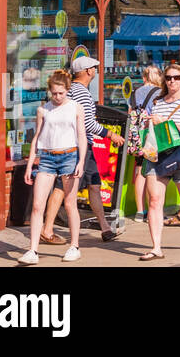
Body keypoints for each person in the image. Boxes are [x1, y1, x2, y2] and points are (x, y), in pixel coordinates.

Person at [39, 56, 124, 245]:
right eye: (94, 68)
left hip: (82, 146)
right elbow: (88, 124)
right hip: (77, 146)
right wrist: (110, 134)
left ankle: (105, 228)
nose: (96, 71)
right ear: (88, 71)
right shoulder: (82, 93)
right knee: (62, 187)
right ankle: (47, 229)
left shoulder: (71, 90)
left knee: (94, 184)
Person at [19, 70, 87, 264]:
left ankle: (74, 246)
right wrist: (30, 164)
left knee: (70, 203)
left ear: (67, 90)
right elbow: (37, 137)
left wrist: (81, 161)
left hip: (69, 155)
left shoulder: (76, 107)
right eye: (54, 93)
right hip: (47, 157)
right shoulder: (43, 110)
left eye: (61, 93)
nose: (57, 97)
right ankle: (33, 250)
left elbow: (81, 136)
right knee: (37, 205)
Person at [139, 62, 180, 260]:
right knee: (155, 201)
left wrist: (166, 122)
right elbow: (151, 128)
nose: (172, 81)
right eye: (168, 78)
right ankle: (156, 247)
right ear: (164, 81)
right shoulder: (158, 102)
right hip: (158, 155)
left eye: (176, 77)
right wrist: (148, 123)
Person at [131, 65, 162, 223]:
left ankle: (139, 211)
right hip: (152, 136)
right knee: (152, 173)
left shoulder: (136, 92)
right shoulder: (159, 92)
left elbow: (130, 112)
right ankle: (152, 211)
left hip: (138, 135)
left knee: (139, 171)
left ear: (144, 77)